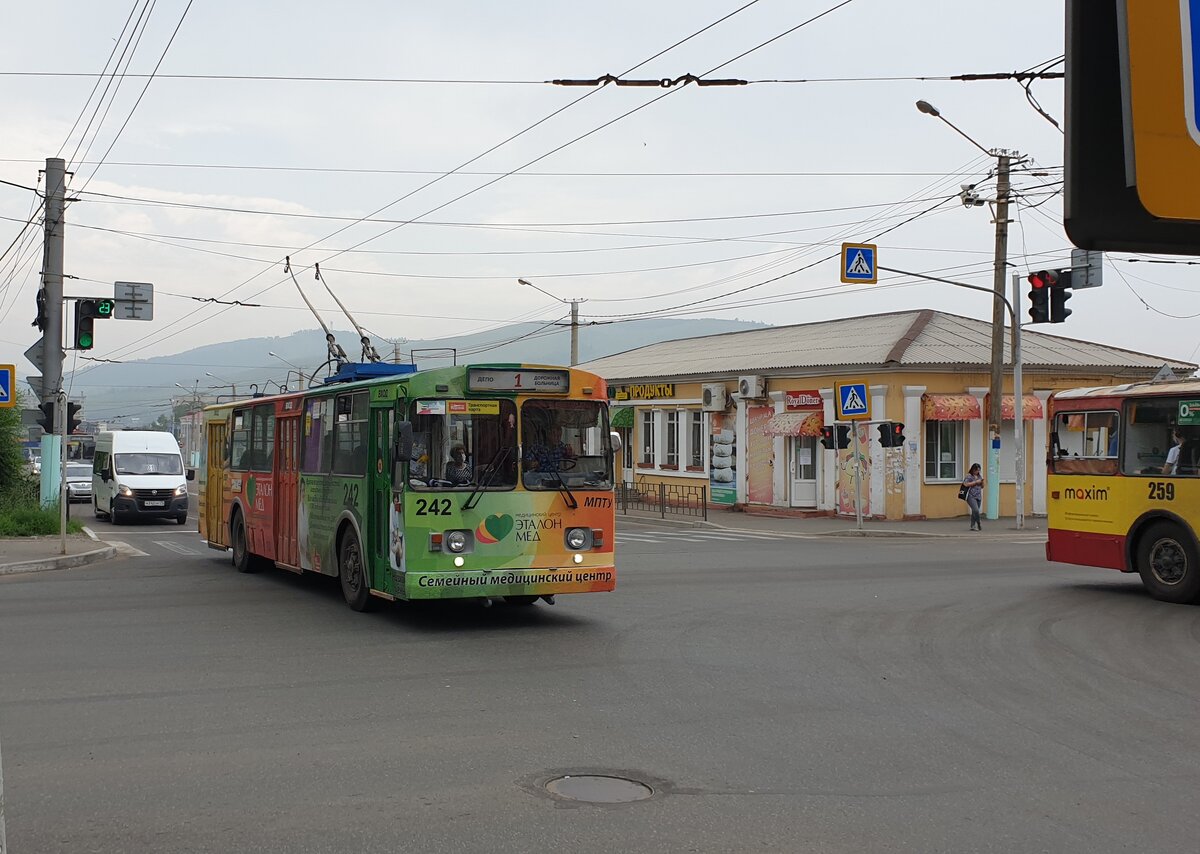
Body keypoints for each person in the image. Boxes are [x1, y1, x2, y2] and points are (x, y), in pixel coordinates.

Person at [963, 463, 984, 531]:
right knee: (976, 510)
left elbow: (982, 487)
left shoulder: (979, 476)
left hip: (978, 496)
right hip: (970, 496)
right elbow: (965, 484)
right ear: (973, 469)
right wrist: (975, 482)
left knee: (974, 512)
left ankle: (973, 525)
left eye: (978, 470)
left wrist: (982, 482)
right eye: (976, 470)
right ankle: (978, 522)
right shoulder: (969, 476)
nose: (977, 472)